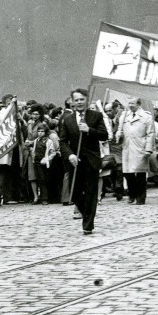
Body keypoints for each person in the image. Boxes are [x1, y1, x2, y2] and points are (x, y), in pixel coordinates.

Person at [58, 88, 108, 232]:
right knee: (74, 193)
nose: (79, 102)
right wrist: (70, 155)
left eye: (82, 99)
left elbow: (104, 135)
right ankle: (86, 211)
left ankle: (88, 224)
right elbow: (62, 141)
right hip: (74, 161)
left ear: (87, 100)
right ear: (72, 102)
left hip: (91, 160)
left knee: (91, 193)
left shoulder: (96, 116)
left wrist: (89, 130)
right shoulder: (67, 119)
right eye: (76, 100)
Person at [115, 97, 155, 205]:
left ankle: (141, 197)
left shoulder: (146, 116)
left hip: (140, 147)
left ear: (138, 104)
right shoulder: (124, 116)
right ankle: (132, 194)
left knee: (140, 173)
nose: (130, 105)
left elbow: (150, 133)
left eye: (132, 103)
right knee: (128, 173)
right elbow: (120, 130)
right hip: (127, 147)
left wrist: (148, 149)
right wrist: (118, 135)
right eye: (129, 103)